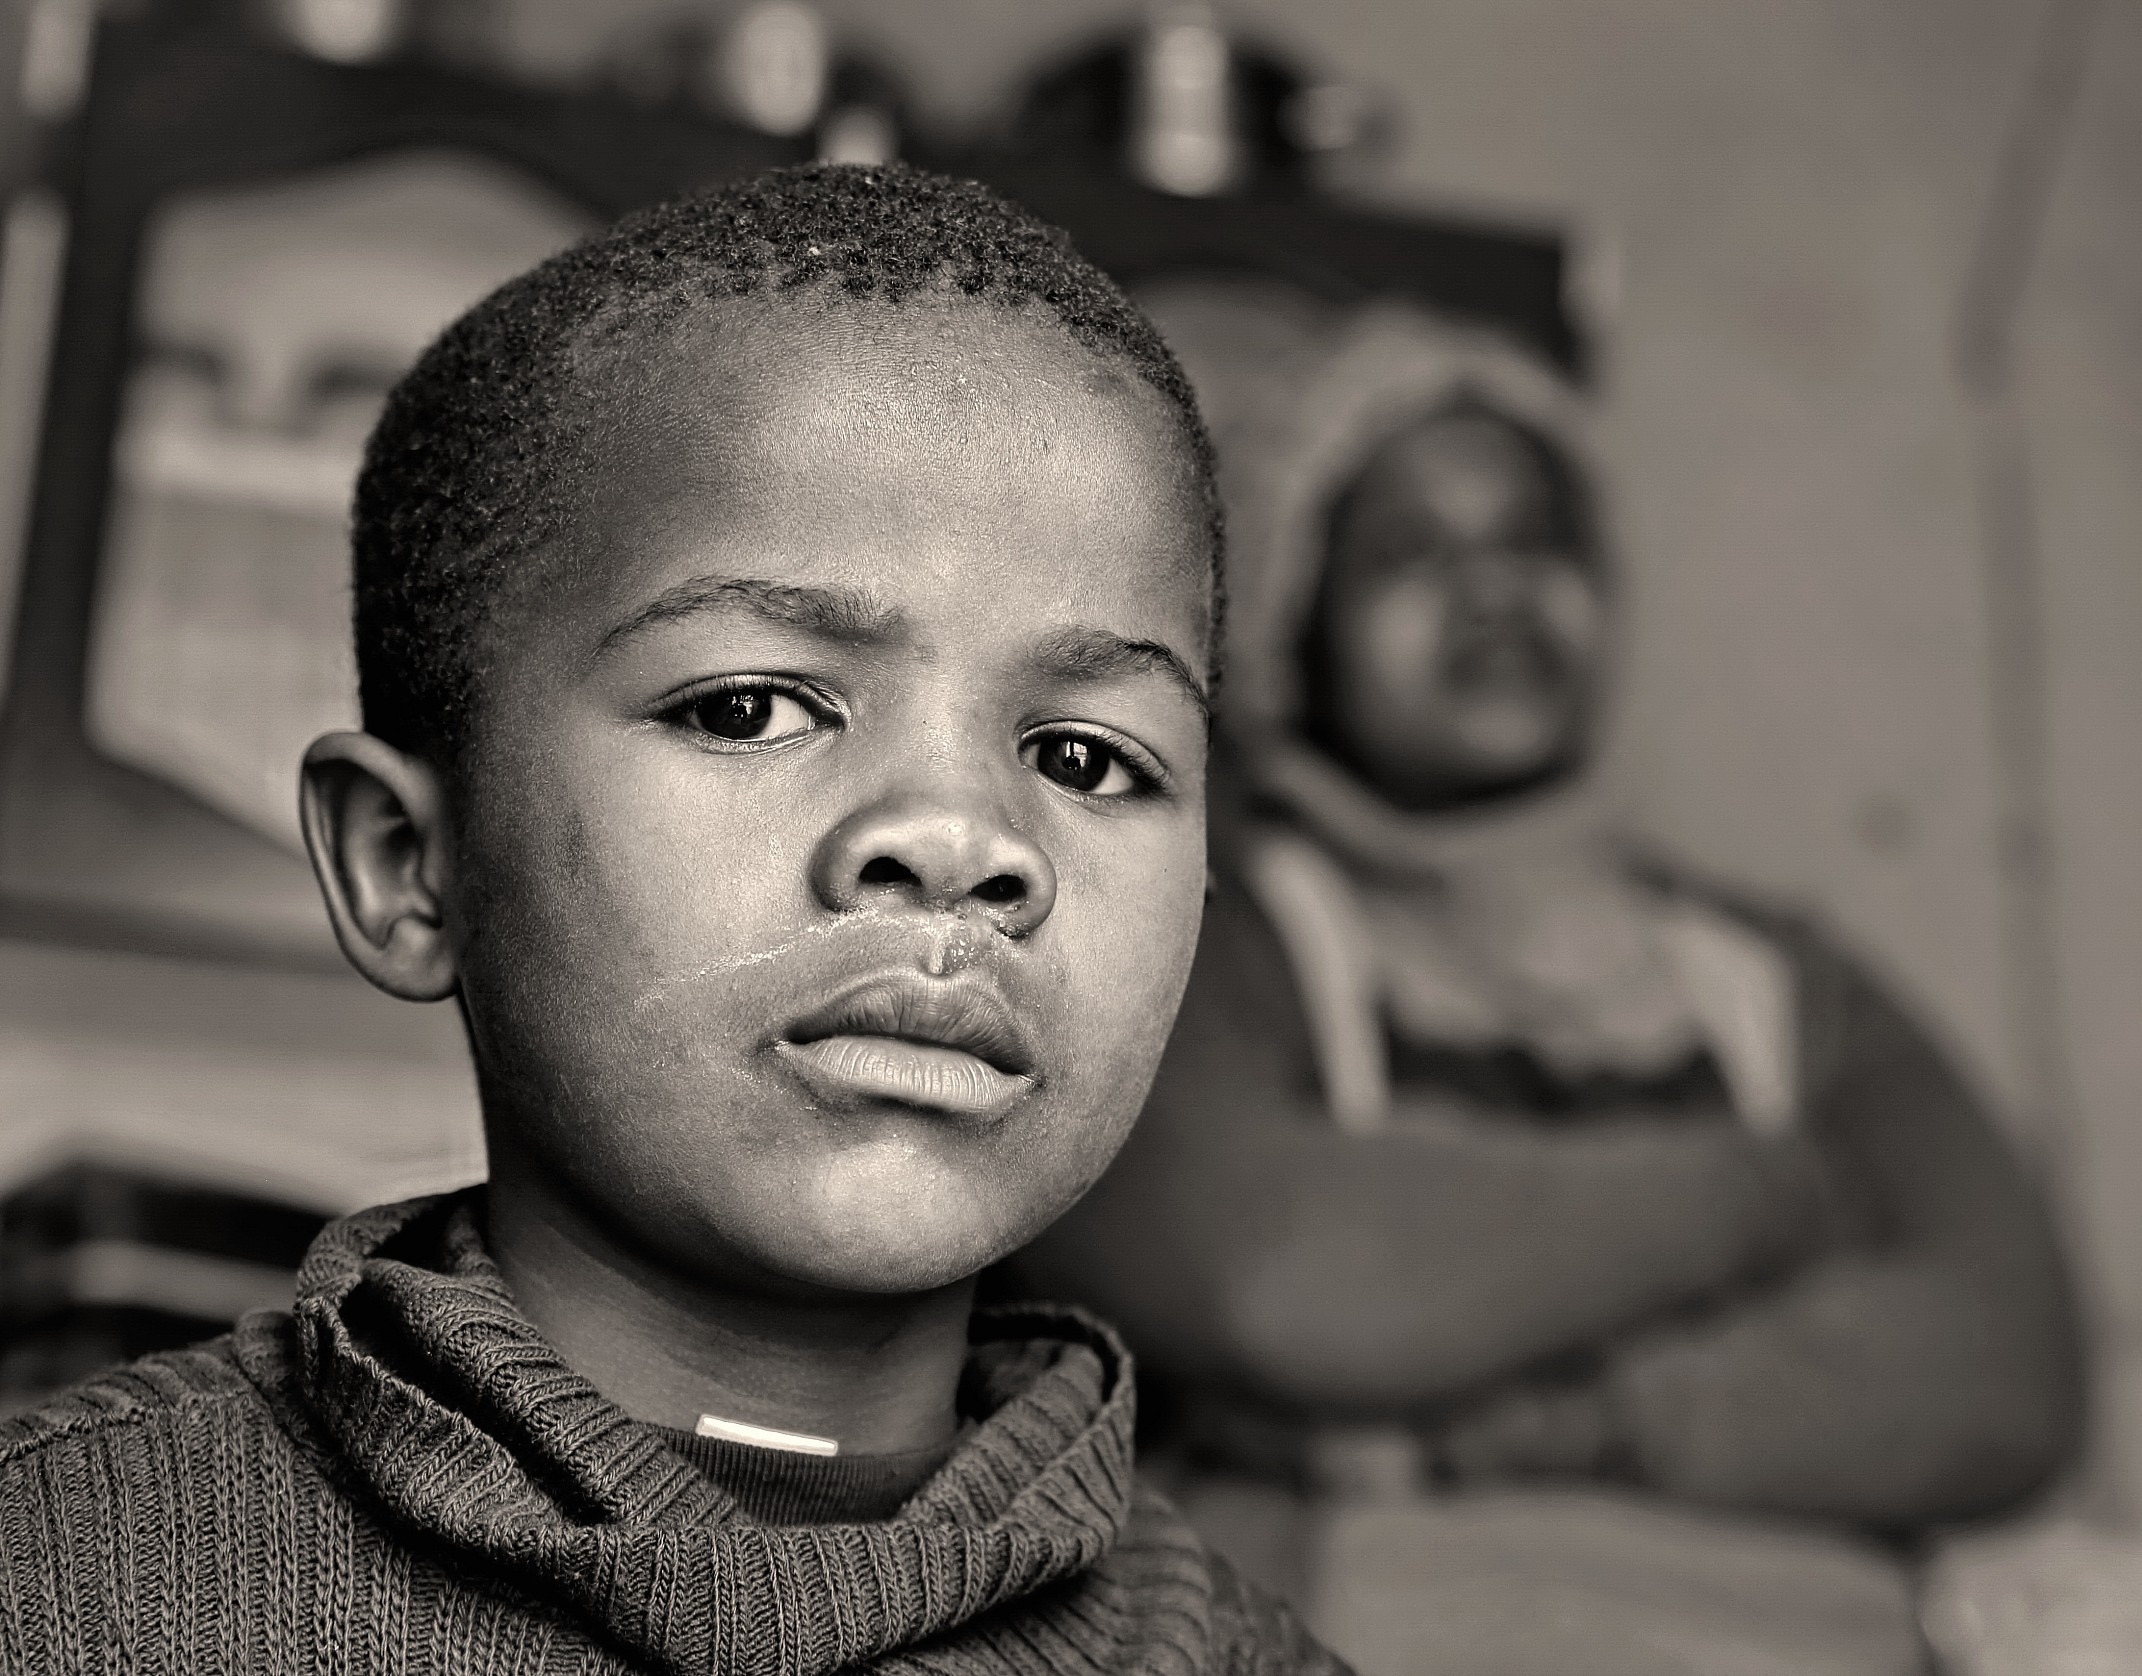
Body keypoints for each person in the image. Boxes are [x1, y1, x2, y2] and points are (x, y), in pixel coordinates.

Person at [0, 165, 1344, 1676]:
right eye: (751, 706)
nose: (966, 843)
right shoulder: (71, 1590)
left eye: (1087, 757)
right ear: (403, 863)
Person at [1011, 285, 2086, 1667]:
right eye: (1410, 552)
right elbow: (1278, 1283)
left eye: (1538, 536)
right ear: (1294, 629)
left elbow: (2003, 1371)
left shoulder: (1768, 981)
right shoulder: (1212, 936)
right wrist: (1772, 1194)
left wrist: (1531, 1425)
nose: (1495, 588)